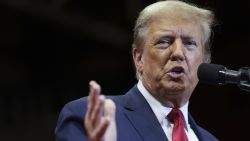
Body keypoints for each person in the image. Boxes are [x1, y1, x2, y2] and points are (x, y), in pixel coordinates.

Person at [55, 0, 219, 141]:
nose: (177, 53)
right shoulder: (90, 117)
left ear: (204, 62)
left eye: (189, 43)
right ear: (139, 58)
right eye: (164, 41)